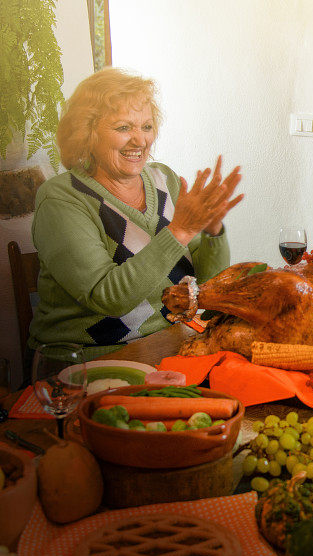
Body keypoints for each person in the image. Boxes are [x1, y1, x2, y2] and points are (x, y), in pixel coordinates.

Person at [28, 68, 243, 361]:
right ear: (86, 134)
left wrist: (212, 229)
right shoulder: (61, 198)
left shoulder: (163, 179)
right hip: (89, 359)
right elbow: (109, 298)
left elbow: (204, 286)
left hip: (171, 342)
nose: (140, 141)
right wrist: (178, 231)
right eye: (123, 128)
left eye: (146, 126)